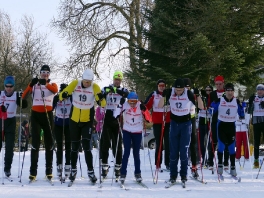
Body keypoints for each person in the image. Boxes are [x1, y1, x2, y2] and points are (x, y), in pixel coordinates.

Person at [59, 68, 106, 183]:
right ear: (82, 79)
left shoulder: (95, 87)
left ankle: (90, 171)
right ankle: (73, 170)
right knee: (74, 147)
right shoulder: (75, 83)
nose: (87, 83)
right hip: (74, 120)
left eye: (89, 82)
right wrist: (64, 94)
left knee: (86, 146)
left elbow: (103, 103)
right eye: (85, 81)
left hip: (87, 121)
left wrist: (100, 99)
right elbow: (61, 96)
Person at [22, 65, 58, 181]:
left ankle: (49, 170)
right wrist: (30, 85)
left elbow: (55, 91)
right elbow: (23, 96)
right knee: (35, 143)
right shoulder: (35, 85)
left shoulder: (52, 85)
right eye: (43, 72)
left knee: (49, 143)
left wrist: (45, 84)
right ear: (40, 73)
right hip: (36, 115)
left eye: (47, 72)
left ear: (49, 74)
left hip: (48, 115)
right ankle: (33, 171)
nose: (45, 74)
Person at [158, 78, 196, 184]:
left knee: (183, 152)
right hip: (174, 123)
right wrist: (163, 95)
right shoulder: (171, 92)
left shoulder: (188, 93)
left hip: (186, 123)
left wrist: (198, 97)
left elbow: (201, 107)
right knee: (173, 152)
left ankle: (184, 175)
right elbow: (160, 106)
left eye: (181, 90)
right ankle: (173, 176)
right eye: (177, 90)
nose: (178, 92)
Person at [114, 92, 151, 184]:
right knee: (126, 152)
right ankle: (123, 174)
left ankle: (138, 173)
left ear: (137, 100)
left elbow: (149, 119)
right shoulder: (125, 105)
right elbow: (115, 115)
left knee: (136, 153)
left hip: (137, 131)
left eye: (134, 102)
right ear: (128, 100)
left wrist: (145, 110)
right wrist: (119, 104)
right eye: (130, 101)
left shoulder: (140, 105)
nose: (132, 104)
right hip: (127, 130)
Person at [211, 83, 244, 176]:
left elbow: (241, 114)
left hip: (231, 126)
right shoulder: (220, 100)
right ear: (225, 91)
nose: (230, 92)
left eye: (231, 91)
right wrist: (211, 109)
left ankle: (233, 166)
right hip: (221, 125)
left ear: (234, 92)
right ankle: (220, 165)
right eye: (228, 91)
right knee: (221, 146)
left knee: (231, 147)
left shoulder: (236, 101)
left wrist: (243, 109)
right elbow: (212, 108)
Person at [100, 71, 129, 179]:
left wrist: (115, 90)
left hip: (117, 117)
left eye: (119, 80)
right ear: (113, 79)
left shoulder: (122, 90)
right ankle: (105, 166)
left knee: (117, 144)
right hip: (107, 116)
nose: (117, 81)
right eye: (116, 79)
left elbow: (126, 94)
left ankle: (118, 167)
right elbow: (100, 97)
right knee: (105, 143)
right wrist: (107, 92)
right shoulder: (106, 88)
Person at [0, 76, 28, 177]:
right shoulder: (1, 94)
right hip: (1, 120)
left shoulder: (16, 95)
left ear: (13, 86)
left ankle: (7, 168)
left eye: (11, 86)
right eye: (7, 86)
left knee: (9, 147)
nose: (9, 88)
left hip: (11, 122)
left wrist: (22, 98)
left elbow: (24, 105)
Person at [144, 79, 170, 171]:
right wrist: (146, 117)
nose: (162, 87)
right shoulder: (154, 94)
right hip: (157, 122)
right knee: (159, 143)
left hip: (168, 121)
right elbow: (146, 106)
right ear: (157, 86)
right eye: (160, 86)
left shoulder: (169, 93)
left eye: (163, 85)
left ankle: (168, 163)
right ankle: (158, 164)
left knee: (168, 143)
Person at [207, 75, 230, 170]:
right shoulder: (212, 94)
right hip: (215, 120)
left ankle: (225, 162)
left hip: (226, 120)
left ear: (223, 83)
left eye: (220, 84)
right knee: (213, 140)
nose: (218, 86)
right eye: (216, 84)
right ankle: (210, 162)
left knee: (226, 141)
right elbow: (208, 107)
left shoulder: (228, 92)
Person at [183, 78, 204, 178]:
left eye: (188, 87)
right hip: (181, 120)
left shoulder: (192, 94)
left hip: (191, 119)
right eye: (185, 86)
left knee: (193, 143)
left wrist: (198, 95)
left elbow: (201, 106)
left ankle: (194, 167)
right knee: (182, 145)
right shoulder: (179, 93)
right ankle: (181, 168)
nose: (186, 89)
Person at [52, 83, 72, 179]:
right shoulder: (57, 97)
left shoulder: (71, 97)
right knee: (59, 145)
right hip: (58, 124)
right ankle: (59, 166)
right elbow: (51, 108)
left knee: (68, 146)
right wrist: (56, 100)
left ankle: (68, 165)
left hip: (68, 124)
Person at [248, 84, 264, 168]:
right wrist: (250, 103)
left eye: (261, 90)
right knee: (256, 141)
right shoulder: (254, 98)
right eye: (258, 90)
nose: (260, 91)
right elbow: (249, 111)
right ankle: (256, 161)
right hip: (256, 121)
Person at [198, 85, 213, 166]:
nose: (208, 91)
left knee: (210, 141)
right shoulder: (202, 97)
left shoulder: (213, 97)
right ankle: (204, 158)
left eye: (209, 90)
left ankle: (210, 159)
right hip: (202, 119)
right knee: (201, 141)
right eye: (207, 90)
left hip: (209, 120)